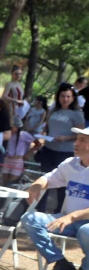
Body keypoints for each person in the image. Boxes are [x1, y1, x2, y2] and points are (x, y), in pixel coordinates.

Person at [22, 128, 89, 270]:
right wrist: (36, 185)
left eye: (82, 140)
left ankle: (86, 268)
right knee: (30, 218)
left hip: (84, 224)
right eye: (77, 139)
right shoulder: (70, 164)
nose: (76, 143)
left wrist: (72, 216)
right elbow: (49, 178)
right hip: (66, 220)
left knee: (85, 230)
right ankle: (60, 262)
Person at [35, 83, 85, 212]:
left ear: (73, 98)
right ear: (58, 97)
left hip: (65, 152)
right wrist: (43, 134)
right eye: (63, 96)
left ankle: (59, 213)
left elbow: (81, 135)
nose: (65, 99)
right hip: (49, 149)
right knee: (45, 179)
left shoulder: (77, 114)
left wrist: (66, 138)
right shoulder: (53, 110)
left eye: (68, 96)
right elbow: (46, 127)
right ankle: (40, 210)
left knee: (63, 185)